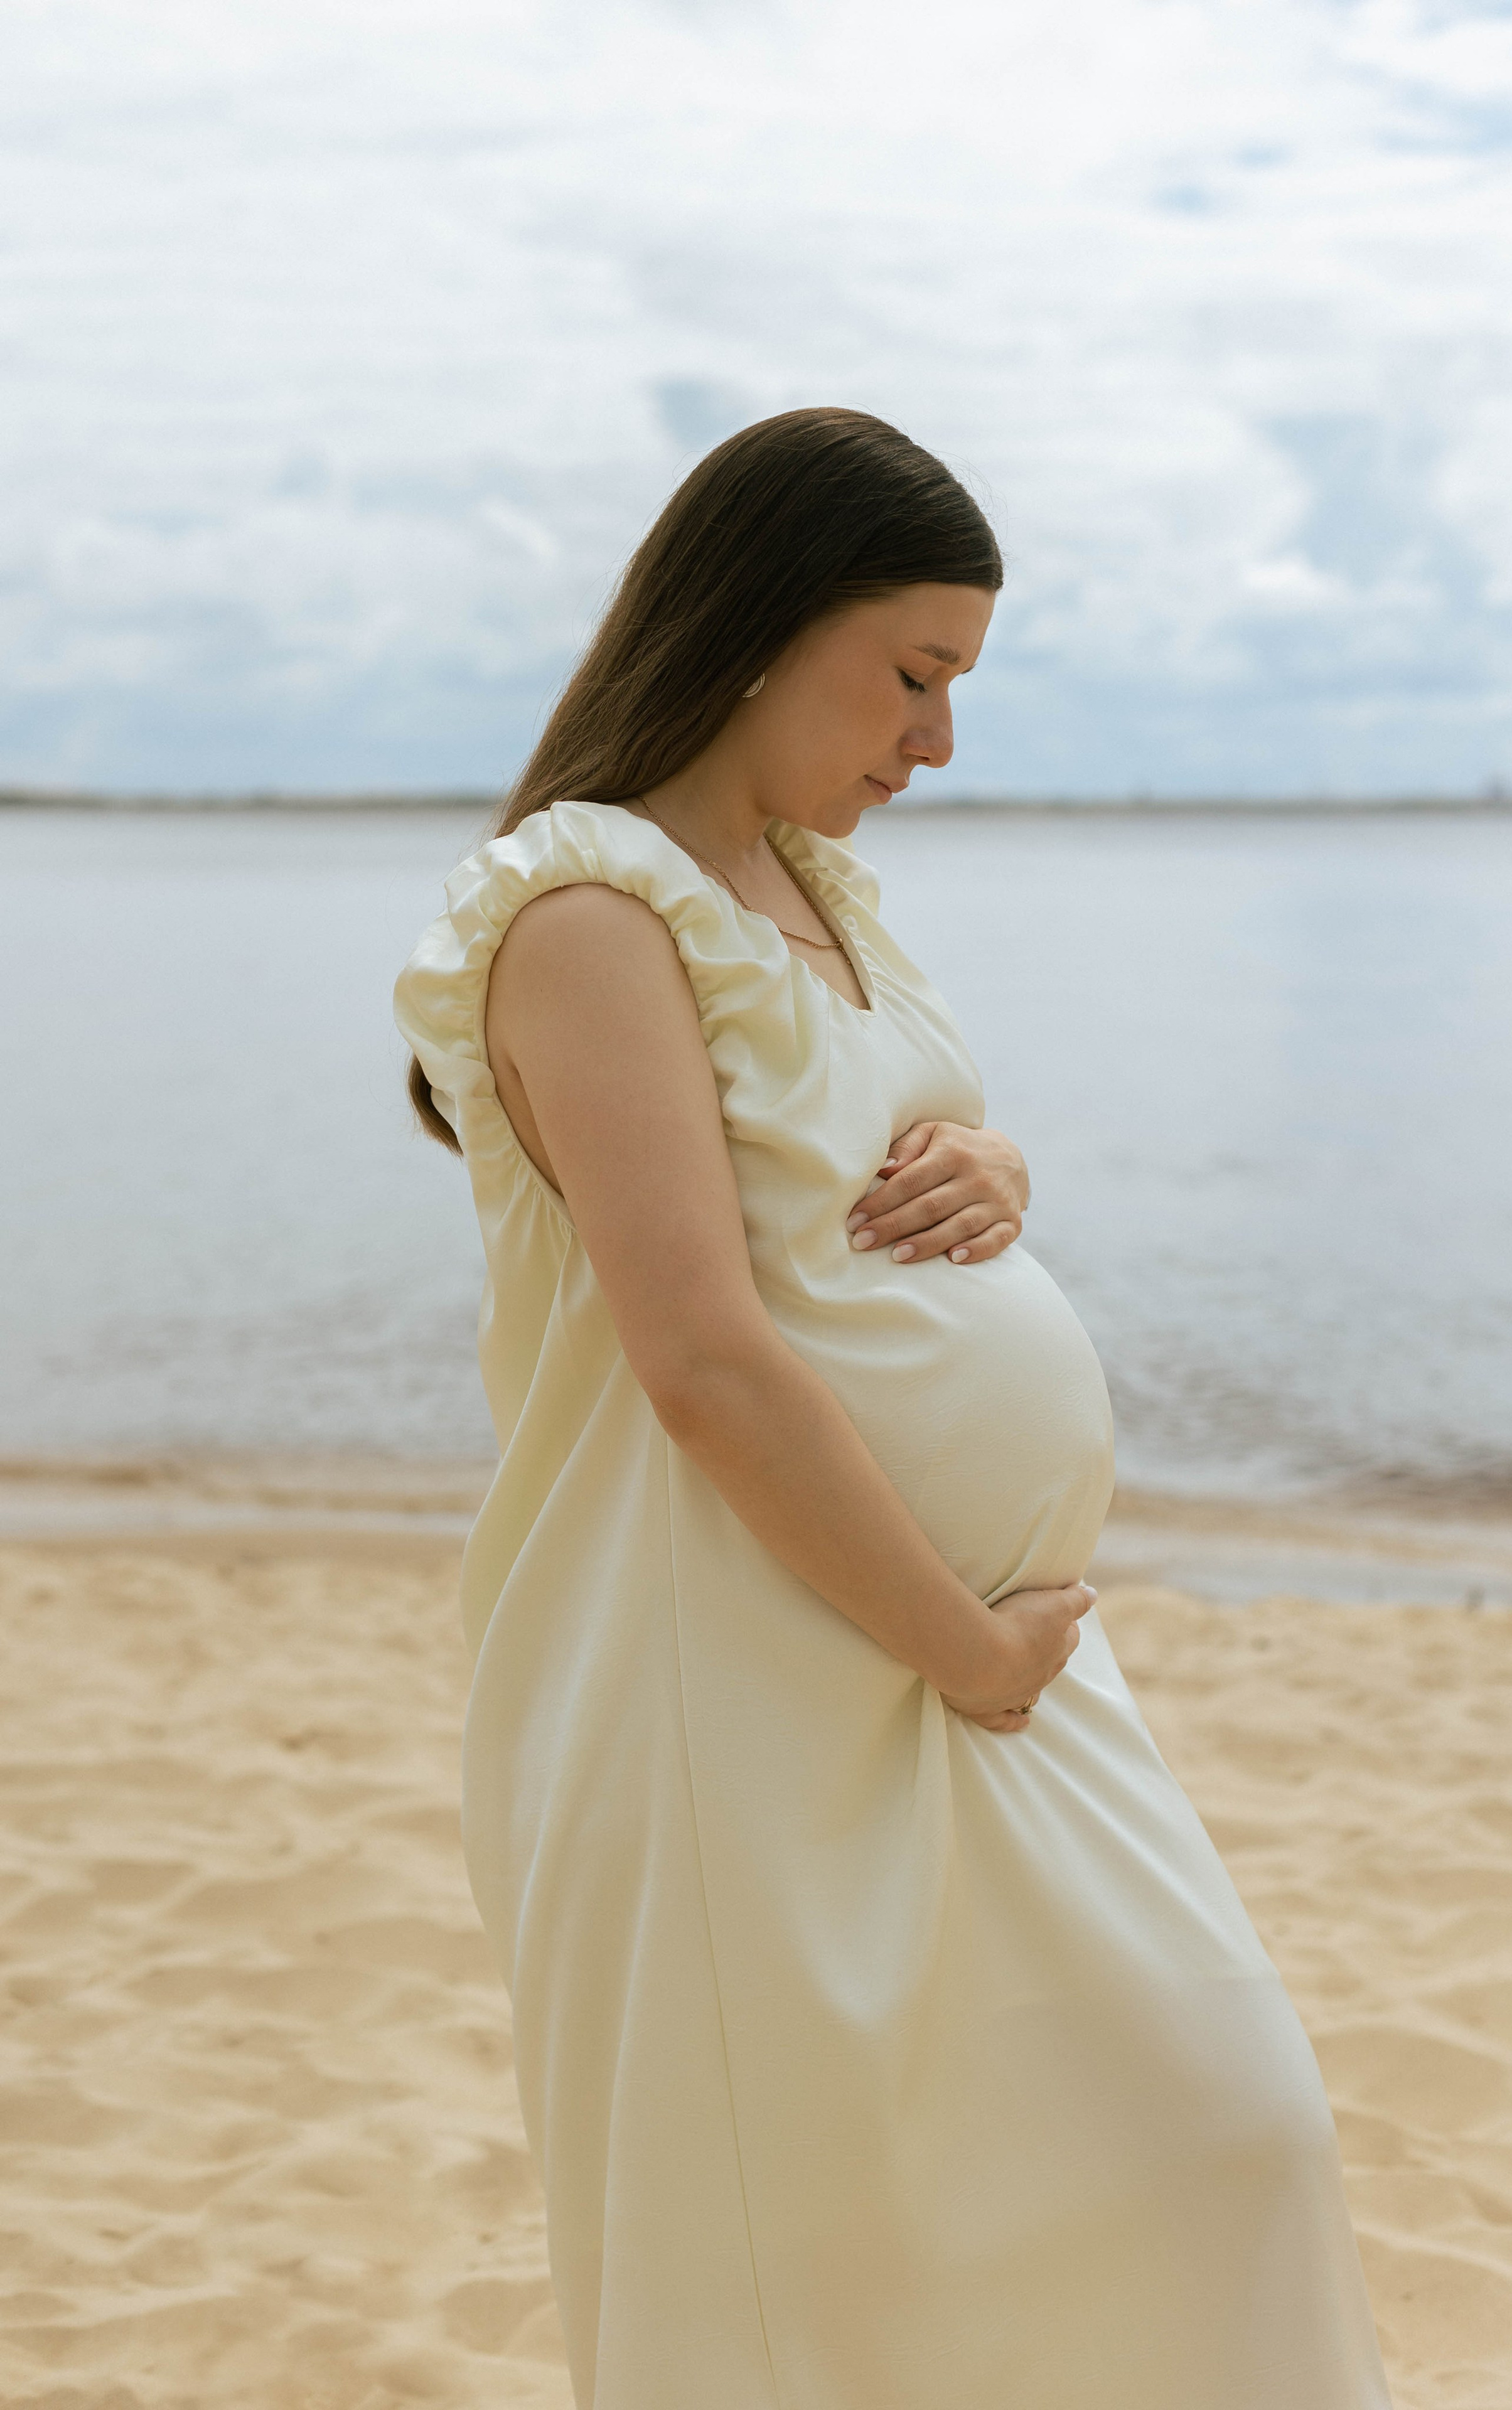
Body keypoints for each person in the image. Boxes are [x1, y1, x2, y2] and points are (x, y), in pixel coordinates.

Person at [394, 407, 1391, 2409]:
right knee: (815, 2261)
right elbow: (704, 1361)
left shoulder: (821, 897)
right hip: (754, 1660)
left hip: (976, 1662)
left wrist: (1002, 1165)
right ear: (760, 623)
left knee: (1226, 2135)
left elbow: (849, 1173)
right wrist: (972, 1651)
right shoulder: (586, 919)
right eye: (916, 673)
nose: (937, 742)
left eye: (960, 684)